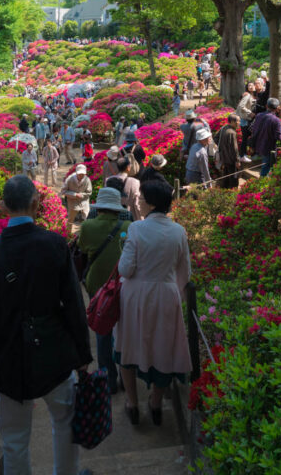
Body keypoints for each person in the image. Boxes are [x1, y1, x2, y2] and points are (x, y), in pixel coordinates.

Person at [0, 177, 92, 475]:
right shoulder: (55, 244)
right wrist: (83, 356)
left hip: (9, 359)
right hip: (56, 354)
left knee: (14, 441)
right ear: (37, 203)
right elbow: (74, 304)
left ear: (2, 207)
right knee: (64, 427)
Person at [113, 179, 191, 427]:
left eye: (142, 198)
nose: (138, 200)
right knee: (162, 347)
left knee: (128, 345)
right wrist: (173, 292)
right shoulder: (179, 231)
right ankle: (156, 403)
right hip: (167, 295)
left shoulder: (136, 229)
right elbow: (184, 273)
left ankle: (132, 404)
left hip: (136, 295)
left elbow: (125, 268)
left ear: (152, 203)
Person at [249, 98, 281, 177]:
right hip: (268, 147)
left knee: (264, 164)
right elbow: (278, 137)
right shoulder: (276, 120)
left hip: (258, 144)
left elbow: (252, 129)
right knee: (266, 167)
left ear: (266, 106)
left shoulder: (259, 115)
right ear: (277, 108)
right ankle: (262, 184)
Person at [60, 164, 92, 234]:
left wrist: (82, 195)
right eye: (80, 174)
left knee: (86, 218)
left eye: (83, 174)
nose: (81, 175)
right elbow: (63, 191)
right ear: (76, 172)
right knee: (70, 219)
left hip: (84, 202)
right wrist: (74, 195)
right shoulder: (70, 179)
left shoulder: (87, 180)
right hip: (72, 202)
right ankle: (68, 234)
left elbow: (89, 192)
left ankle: (84, 234)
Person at [215, 113, 241, 189]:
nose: (239, 123)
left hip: (223, 158)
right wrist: (237, 161)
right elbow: (234, 149)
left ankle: (224, 192)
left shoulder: (224, 128)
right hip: (231, 160)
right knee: (233, 179)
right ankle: (233, 194)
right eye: (238, 121)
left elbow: (215, 138)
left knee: (225, 177)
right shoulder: (232, 133)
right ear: (233, 121)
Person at [236, 90, 257, 160]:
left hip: (250, 120)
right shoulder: (247, 95)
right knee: (245, 138)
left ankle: (248, 154)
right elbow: (241, 106)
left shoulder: (255, 95)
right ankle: (243, 155)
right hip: (247, 120)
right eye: (249, 85)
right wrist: (250, 112)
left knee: (248, 137)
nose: (251, 86)